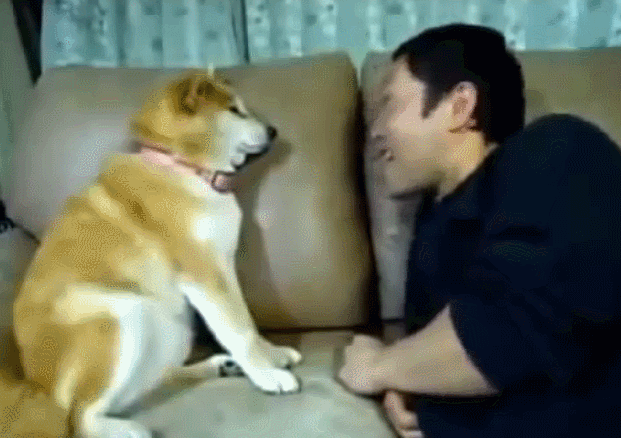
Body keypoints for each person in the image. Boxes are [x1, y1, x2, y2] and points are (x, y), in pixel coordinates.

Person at [337, 23, 621, 438]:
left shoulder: (556, 150)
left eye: (389, 104)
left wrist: (381, 367)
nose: (376, 130)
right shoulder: (433, 232)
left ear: (460, 105)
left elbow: (507, 335)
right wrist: (416, 388)